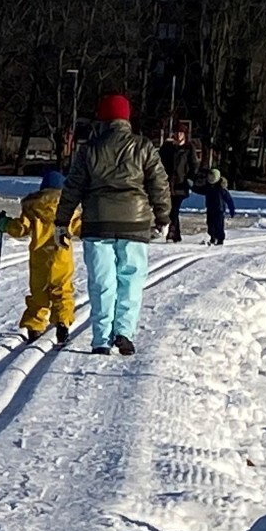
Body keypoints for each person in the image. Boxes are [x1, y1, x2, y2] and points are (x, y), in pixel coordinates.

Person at [54, 93, 171, 356]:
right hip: (135, 223)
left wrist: (62, 221)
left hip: (98, 222)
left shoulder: (89, 150)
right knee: (130, 281)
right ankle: (124, 333)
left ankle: (101, 340)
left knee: (102, 282)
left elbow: (72, 188)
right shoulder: (143, 147)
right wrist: (163, 216)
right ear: (126, 119)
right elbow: (159, 183)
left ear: (103, 120)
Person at [0, 169, 81, 346]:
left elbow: (19, 229)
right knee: (62, 292)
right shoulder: (69, 209)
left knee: (38, 294)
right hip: (62, 258)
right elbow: (82, 227)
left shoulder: (33, 209)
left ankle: (34, 327)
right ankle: (62, 325)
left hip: (39, 260)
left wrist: (4, 223)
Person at [158, 128, 198, 242]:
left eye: (181, 133)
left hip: (181, 184)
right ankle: (177, 234)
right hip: (167, 183)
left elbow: (194, 165)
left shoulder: (189, 148)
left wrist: (190, 178)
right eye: (176, 132)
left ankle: (171, 233)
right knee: (170, 210)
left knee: (174, 209)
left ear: (184, 135)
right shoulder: (167, 148)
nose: (178, 135)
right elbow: (158, 162)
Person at [195, 166, 237, 246]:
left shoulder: (221, 188)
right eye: (209, 177)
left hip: (219, 210)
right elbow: (200, 190)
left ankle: (220, 239)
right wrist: (192, 187)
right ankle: (212, 237)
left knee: (219, 225)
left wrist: (232, 209)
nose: (210, 179)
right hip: (210, 209)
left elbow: (229, 199)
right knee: (210, 224)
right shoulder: (208, 187)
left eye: (212, 177)